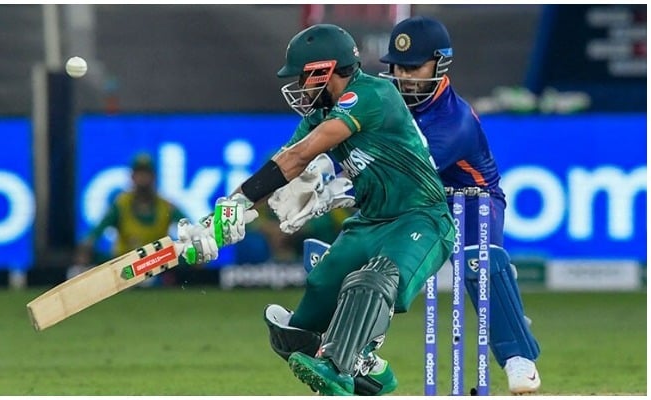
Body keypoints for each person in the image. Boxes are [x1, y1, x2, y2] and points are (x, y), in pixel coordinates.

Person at [175, 23, 455, 396]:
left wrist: (240, 202)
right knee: (297, 335)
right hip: (369, 222)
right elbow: (283, 163)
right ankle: (372, 371)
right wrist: (218, 220)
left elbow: (301, 155)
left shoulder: (373, 94)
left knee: (372, 281)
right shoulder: (321, 113)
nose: (299, 87)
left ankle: (343, 367)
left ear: (324, 70)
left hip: (420, 219)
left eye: (304, 77)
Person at [378, 16, 541, 394]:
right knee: (376, 259)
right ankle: (328, 333)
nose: (404, 77)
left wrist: (350, 187)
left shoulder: (454, 119)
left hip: (473, 199)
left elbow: (407, 173)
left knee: (476, 260)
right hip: (422, 199)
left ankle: (519, 359)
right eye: (398, 67)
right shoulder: (388, 102)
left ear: (440, 63)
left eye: (414, 67)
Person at [74, 153, 187, 281]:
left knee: (189, 253)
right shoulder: (122, 204)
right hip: (125, 263)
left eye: (146, 174)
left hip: (157, 263)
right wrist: (86, 246)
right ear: (132, 177)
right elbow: (97, 231)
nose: (143, 178)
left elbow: (189, 228)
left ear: (154, 177)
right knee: (94, 255)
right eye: (139, 174)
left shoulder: (166, 206)